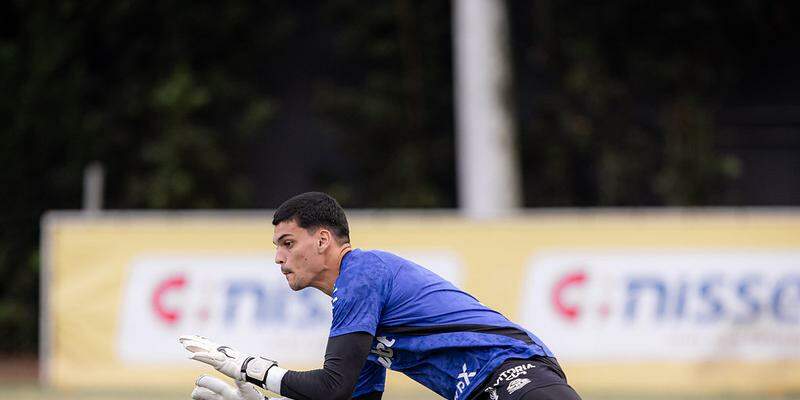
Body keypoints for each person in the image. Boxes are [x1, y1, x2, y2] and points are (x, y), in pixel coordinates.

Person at [180, 192, 582, 400]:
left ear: (322, 241)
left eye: (287, 243)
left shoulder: (362, 273)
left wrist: (252, 368)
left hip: (516, 380)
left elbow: (332, 387)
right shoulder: (355, 306)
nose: (278, 258)